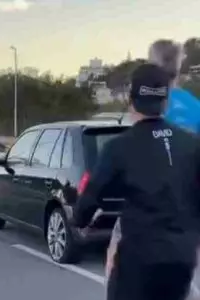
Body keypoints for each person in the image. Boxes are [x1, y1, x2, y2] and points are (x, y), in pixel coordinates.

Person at [72, 63, 200, 300]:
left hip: (139, 259)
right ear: (166, 102)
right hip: (182, 258)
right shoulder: (192, 144)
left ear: (131, 101)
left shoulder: (118, 147)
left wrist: (80, 219)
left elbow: (89, 198)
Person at [106, 39, 200, 299]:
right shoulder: (196, 109)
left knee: (115, 259)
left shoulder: (145, 108)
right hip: (184, 216)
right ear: (180, 68)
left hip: (142, 216)